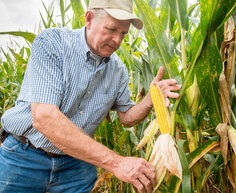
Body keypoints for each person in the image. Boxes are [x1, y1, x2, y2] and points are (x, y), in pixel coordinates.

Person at [0, 0, 181, 192]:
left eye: (123, 33)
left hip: (77, 163)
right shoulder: (53, 43)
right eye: (111, 29)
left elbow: (127, 118)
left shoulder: (118, 69)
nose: (117, 40)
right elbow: (44, 118)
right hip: (24, 156)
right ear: (89, 19)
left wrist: (152, 99)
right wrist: (117, 163)